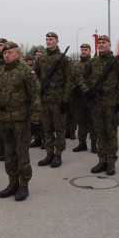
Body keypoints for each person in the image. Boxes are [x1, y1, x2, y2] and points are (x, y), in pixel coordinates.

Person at [0, 42, 41, 201]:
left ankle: (23, 185)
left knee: (22, 154)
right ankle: (12, 183)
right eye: (5, 52)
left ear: (17, 54)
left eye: (10, 52)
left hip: (20, 119)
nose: (6, 54)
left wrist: (35, 119)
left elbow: (35, 95)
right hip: (4, 119)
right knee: (9, 153)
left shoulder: (25, 71)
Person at [81, 35, 119, 175]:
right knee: (100, 133)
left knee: (111, 134)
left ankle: (111, 162)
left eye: (104, 42)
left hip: (111, 104)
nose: (101, 44)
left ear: (109, 44)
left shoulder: (116, 62)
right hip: (96, 104)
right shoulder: (92, 62)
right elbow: (81, 78)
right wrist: (87, 91)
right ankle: (102, 160)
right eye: (99, 42)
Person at [34, 32, 71, 168]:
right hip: (44, 99)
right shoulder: (41, 59)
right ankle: (49, 153)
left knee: (59, 129)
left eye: (51, 39)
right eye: (47, 39)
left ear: (57, 41)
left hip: (58, 99)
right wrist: (39, 89)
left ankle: (58, 154)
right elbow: (35, 77)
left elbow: (69, 80)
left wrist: (65, 99)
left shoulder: (63, 59)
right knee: (47, 128)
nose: (49, 41)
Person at [72, 43, 97, 153]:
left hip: (91, 96)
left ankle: (94, 144)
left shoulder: (94, 63)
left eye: (86, 49)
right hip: (79, 97)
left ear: (90, 51)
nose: (83, 51)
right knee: (81, 122)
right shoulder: (76, 65)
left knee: (93, 121)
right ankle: (82, 143)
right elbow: (72, 79)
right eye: (82, 49)